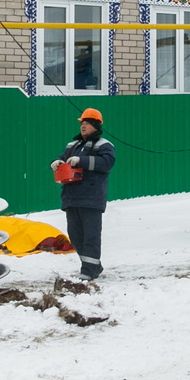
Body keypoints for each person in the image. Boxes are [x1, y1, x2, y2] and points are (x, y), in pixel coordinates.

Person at [52, 107, 116, 280]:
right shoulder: (72, 146)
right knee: (75, 235)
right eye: (82, 123)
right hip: (71, 198)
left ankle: (89, 270)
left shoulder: (104, 145)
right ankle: (92, 265)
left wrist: (83, 161)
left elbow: (107, 163)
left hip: (91, 199)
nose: (83, 126)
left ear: (96, 125)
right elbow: (61, 158)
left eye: (87, 123)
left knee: (90, 236)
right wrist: (56, 162)